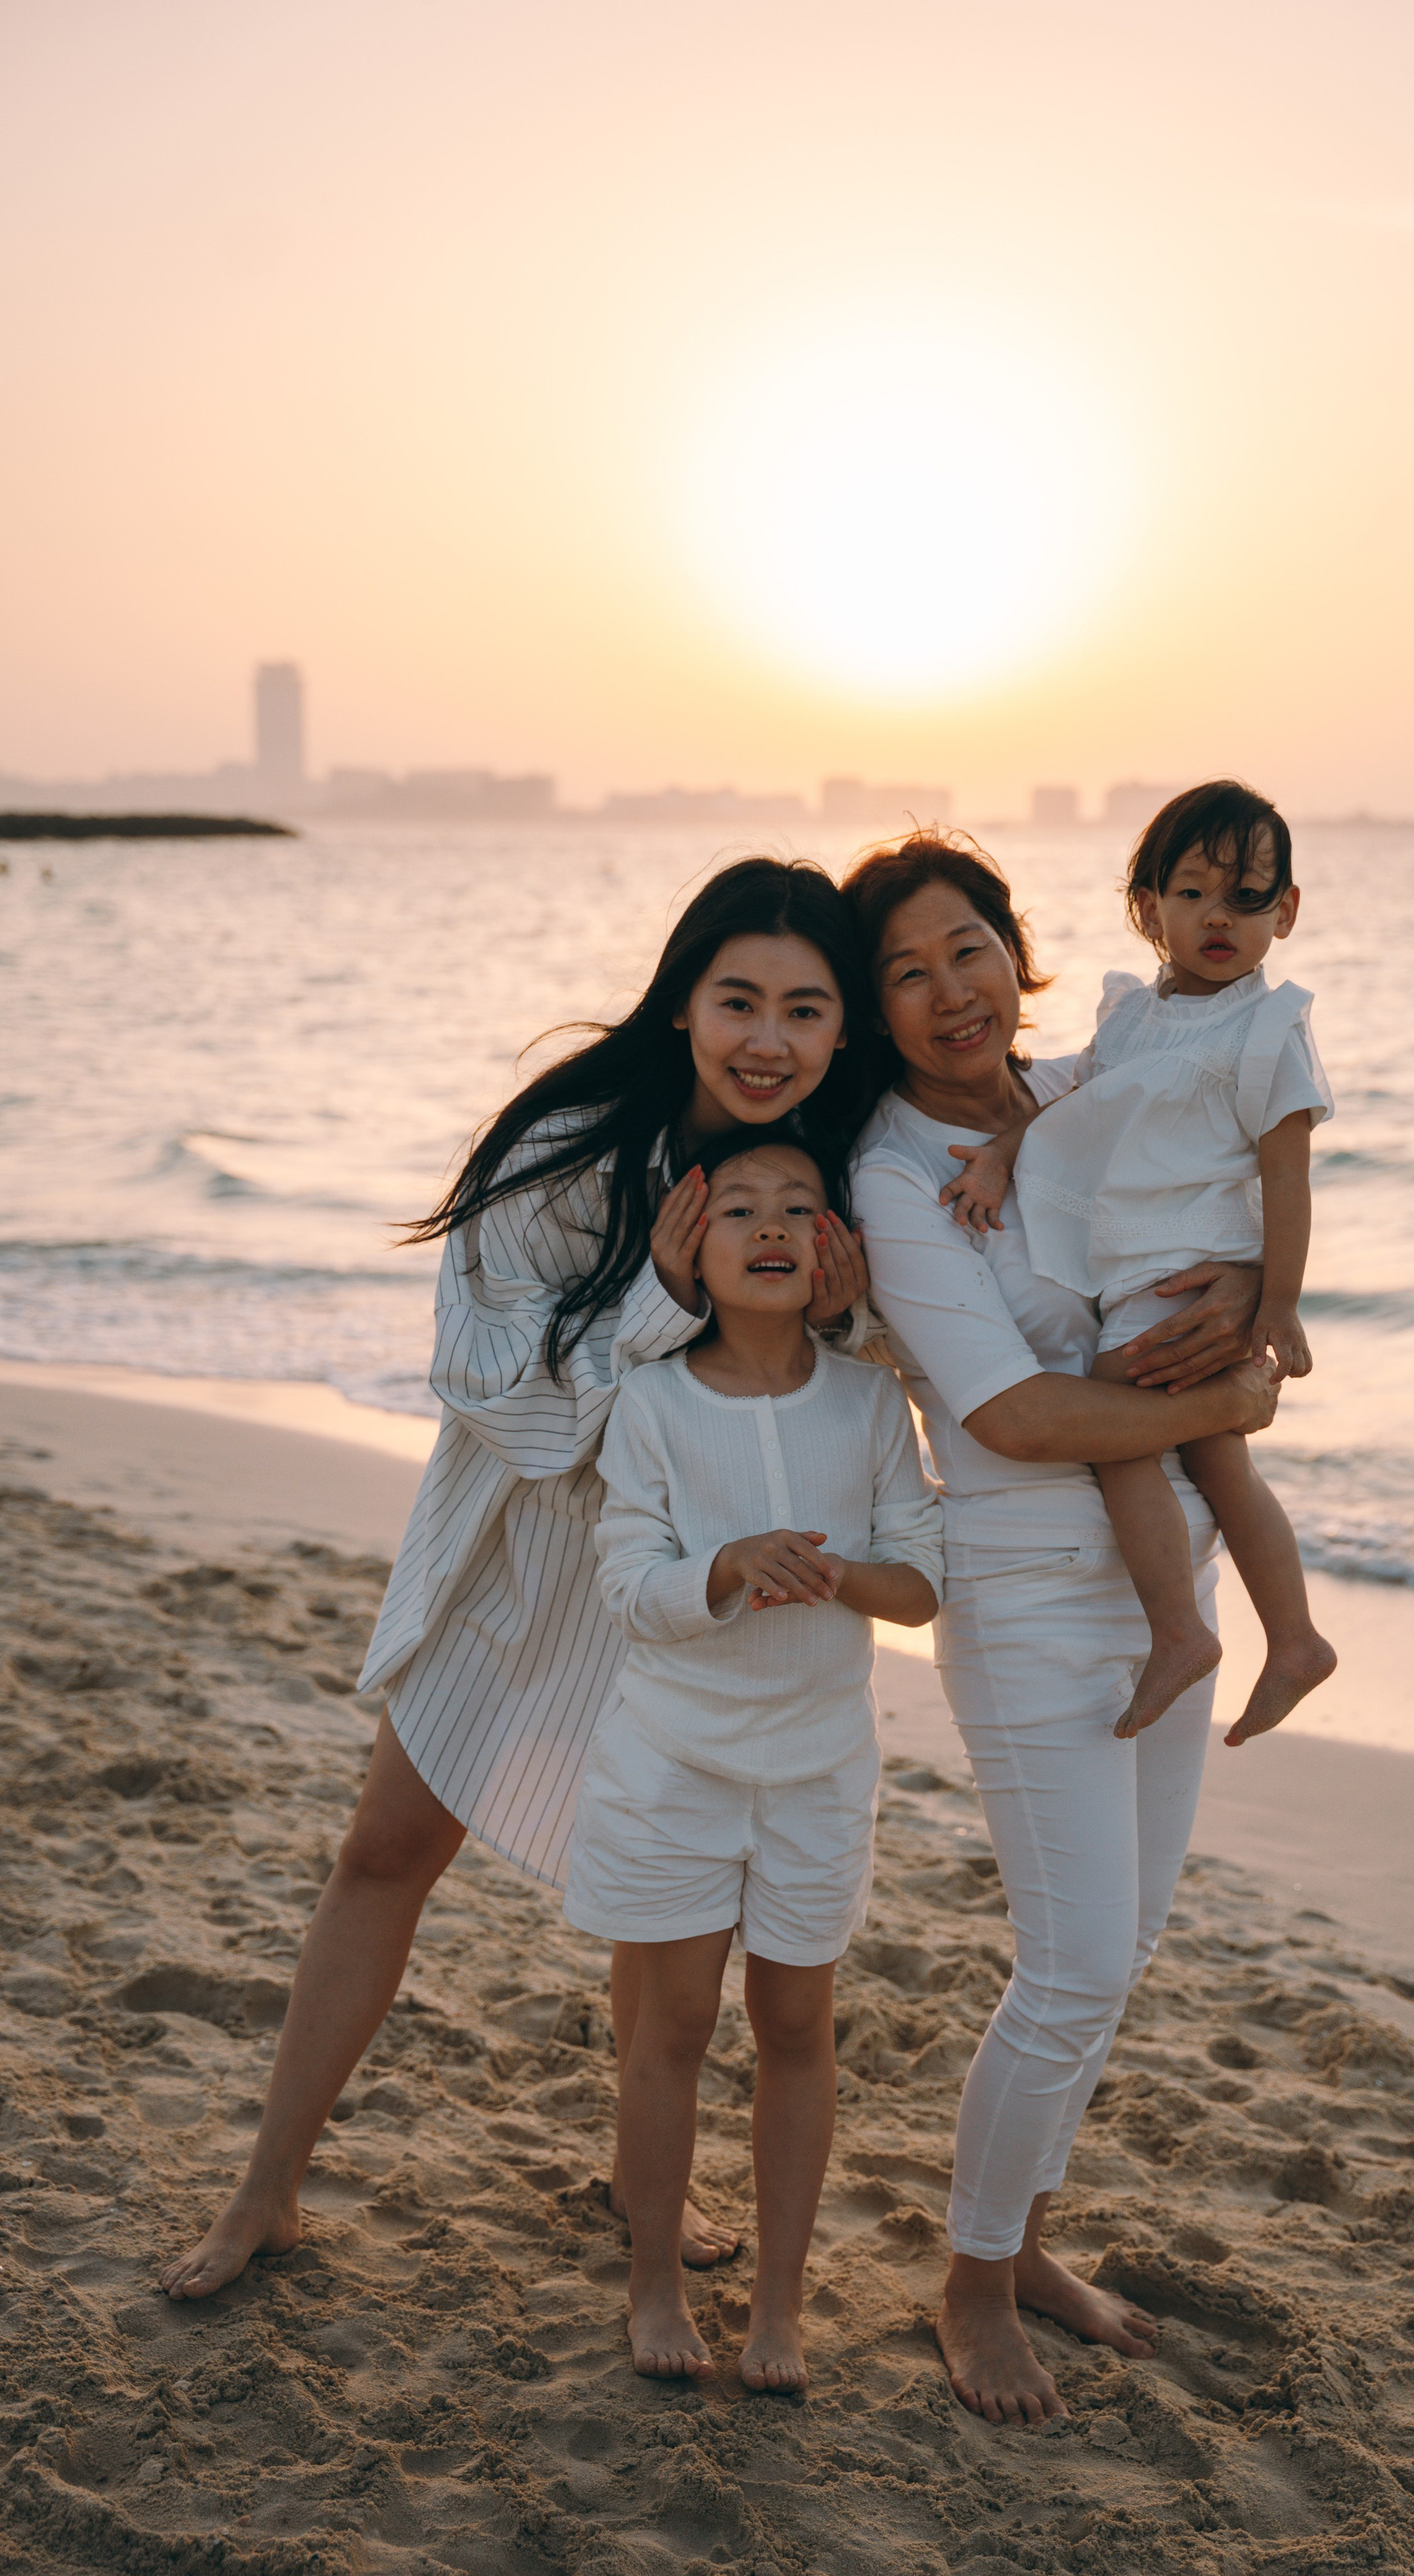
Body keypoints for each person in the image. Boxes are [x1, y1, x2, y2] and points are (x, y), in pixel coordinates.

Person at [160, 857, 874, 2303]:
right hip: (519, 1555)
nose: (766, 1037)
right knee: (383, 1850)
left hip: (677, 1584)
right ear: (682, 1001)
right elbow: (487, 1382)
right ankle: (267, 2186)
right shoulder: (561, 1146)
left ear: (840, 1032)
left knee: (658, 1907)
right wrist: (662, 1301)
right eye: (737, 997)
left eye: (804, 1009)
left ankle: (642, 2187)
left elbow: (843, 1382)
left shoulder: (820, 1179)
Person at [843, 830, 1278, 2428]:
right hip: (1026, 1601)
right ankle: (967, 2281)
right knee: (1073, 1961)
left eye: (966, 949)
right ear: (876, 1007)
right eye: (905, 970)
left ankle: (1021, 2242)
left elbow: (1206, 1240)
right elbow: (1016, 1411)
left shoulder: (1088, 1097)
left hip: (1168, 1588)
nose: (948, 990)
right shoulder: (891, 1177)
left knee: (1126, 1953)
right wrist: (1223, 1391)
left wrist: (1238, 1313)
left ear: (1013, 950)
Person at [568, 1124, 942, 2393]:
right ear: (693, 1242)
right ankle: (657, 2282)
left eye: (798, 1206)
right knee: (670, 2024)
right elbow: (626, 1581)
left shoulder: (868, 1400)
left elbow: (924, 1578)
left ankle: (777, 2309)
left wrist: (841, 1575)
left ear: (832, 1241)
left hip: (819, 1765)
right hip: (673, 1757)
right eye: (740, 1210)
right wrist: (726, 1567)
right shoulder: (655, 1399)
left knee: (796, 2024)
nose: (772, 1226)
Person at [939, 780, 1337, 1743]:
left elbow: (1287, 1176)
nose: (1220, 917)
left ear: (1285, 914)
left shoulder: (1268, 1029)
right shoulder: (1128, 1016)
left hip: (1193, 1279)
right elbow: (1069, 1112)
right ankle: (1291, 1637)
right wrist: (998, 1154)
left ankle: (1181, 1632)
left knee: (1115, 1423)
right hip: (1134, 1276)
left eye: (1248, 899)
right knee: (1216, 1454)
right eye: (1196, 892)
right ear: (1146, 906)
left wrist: (1277, 1301)